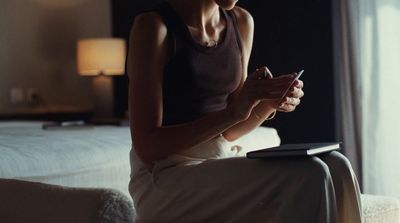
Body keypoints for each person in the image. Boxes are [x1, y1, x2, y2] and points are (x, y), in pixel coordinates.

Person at [127, 0, 362, 222]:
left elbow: (230, 130)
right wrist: (234, 113)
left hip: (218, 158)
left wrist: (268, 103)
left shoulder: (241, 22)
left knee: (337, 165)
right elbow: (147, 147)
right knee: (310, 174)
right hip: (163, 176)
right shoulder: (154, 27)